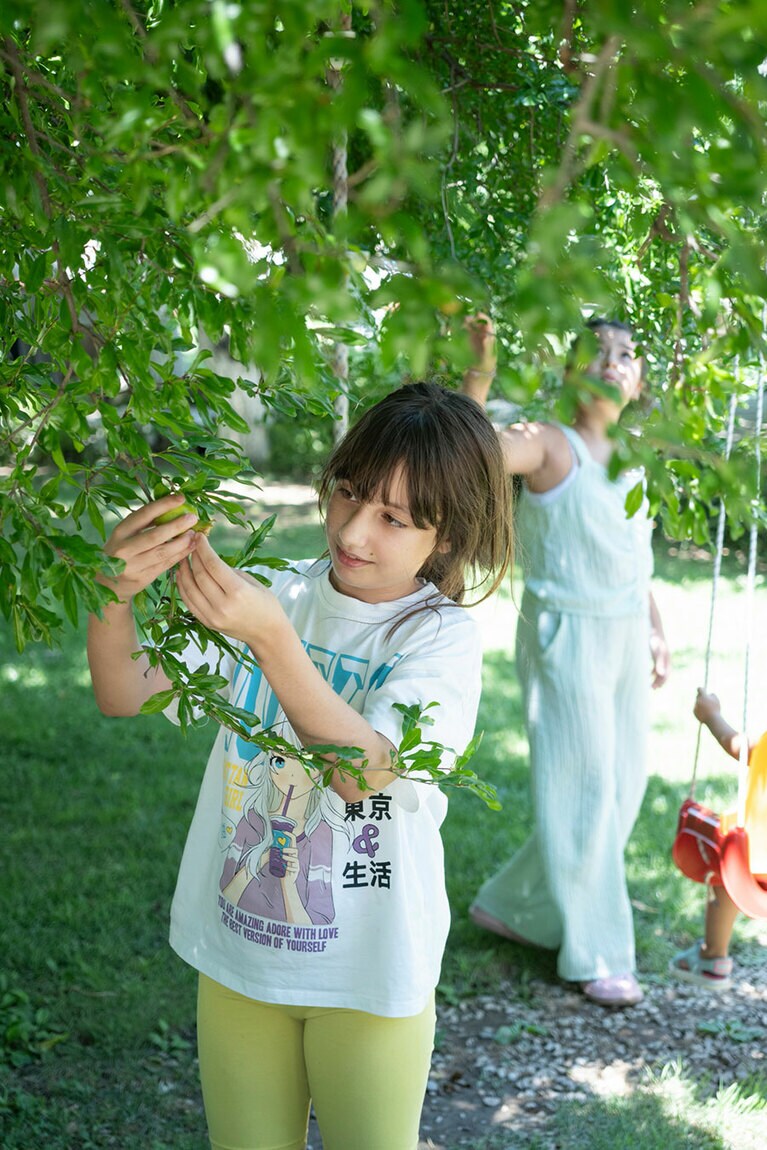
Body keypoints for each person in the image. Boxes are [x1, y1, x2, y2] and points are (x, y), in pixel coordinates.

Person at [86, 381, 513, 1150]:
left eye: (393, 518)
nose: (353, 529)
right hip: (238, 956)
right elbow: (125, 693)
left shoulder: (438, 639)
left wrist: (272, 641)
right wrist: (112, 595)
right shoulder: (280, 587)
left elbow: (365, 774)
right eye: (348, 493)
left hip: (368, 975)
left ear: (444, 538)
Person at [462, 315, 670, 1008]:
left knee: (622, 786)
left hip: (619, 632)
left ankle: (513, 905)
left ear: (638, 381)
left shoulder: (631, 459)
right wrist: (481, 371)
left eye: (625, 354)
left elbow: (632, 556)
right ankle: (596, 951)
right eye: (595, 350)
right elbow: (472, 451)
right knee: (585, 790)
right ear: (567, 370)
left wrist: (653, 627)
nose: (611, 361)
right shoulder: (549, 444)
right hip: (565, 636)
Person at [670, 687, 766, 990]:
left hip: (756, 859)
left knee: (725, 877)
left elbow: (735, 744)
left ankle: (713, 958)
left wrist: (711, 715)